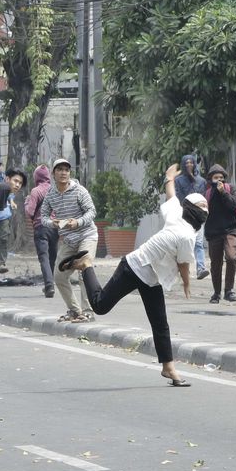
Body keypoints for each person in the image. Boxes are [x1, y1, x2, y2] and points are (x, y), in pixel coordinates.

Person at [73, 164, 205, 387]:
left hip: (152, 277)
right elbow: (183, 264)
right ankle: (86, 265)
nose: (204, 210)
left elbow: (171, 193)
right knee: (100, 306)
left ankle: (168, 367)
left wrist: (169, 177)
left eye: (205, 207)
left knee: (160, 323)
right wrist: (186, 284)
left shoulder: (176, 214)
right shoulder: (186, 235)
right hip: (134, 266)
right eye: (201, 206)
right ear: (191, 209)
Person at [40, 158, 98, 323]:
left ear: (70, 173)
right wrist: (53, 223)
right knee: (58, 276)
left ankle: (88, 312)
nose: (63, 173)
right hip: (68, 239)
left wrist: (78, 222)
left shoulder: (80, 191)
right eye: (60, 170)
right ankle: (74, 310)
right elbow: (43, 216)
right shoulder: (51, 194)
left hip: (87, 235)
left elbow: (91, 212)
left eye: (66, 170)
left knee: (83, 272)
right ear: (53, 174)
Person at [203, 163, 236, 303]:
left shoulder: (231, 189)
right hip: (213, 233)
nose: (219, 180)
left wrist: (223, 192)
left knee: (231, 258)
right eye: (215, 177)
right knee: (215, 264)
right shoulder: (207, 193)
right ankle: (216, 293)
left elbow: (235, 204)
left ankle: (229, 290)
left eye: (221, 177)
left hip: (230, 230)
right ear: (210, 179)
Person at [23, 164, 57, 298]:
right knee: (52, 256)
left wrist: (26, 203)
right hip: (55, 227)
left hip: (41, 227)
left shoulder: (35, 191)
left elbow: (30, 212)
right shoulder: (55, 190)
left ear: (36, 177)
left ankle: (49, 285)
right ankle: (51, 282)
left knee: (44, 257)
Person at [175, 154, 209, 280]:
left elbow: (203, 198)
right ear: (183, 165)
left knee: (199, 243)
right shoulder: (178, 181)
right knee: (185, 242)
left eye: (191, 162)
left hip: (199, 215)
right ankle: (184, 269)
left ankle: (201, 268)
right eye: (186, 163)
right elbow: (178, 197)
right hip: (185, 215)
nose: (189, 165)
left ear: (195, 164)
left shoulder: (202, 181)